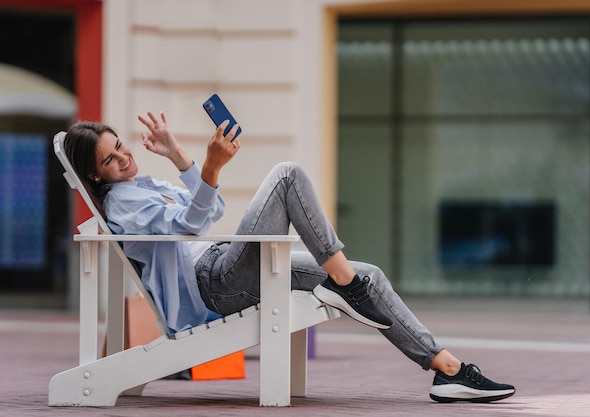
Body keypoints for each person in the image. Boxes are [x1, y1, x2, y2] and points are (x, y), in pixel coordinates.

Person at [63, 110, 515, 404]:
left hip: (221, 266)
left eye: (120, 146)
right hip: (214, 283)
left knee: (370, 275)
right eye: (110, 160)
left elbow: (210, 208)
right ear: (93, 175)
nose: (123, 158)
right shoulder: (125, 204)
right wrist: (210, 165)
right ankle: (345, 284)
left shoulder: (138, 188)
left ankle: (447, 370)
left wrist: (180, 156)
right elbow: (194, 223)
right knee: (285, 176)